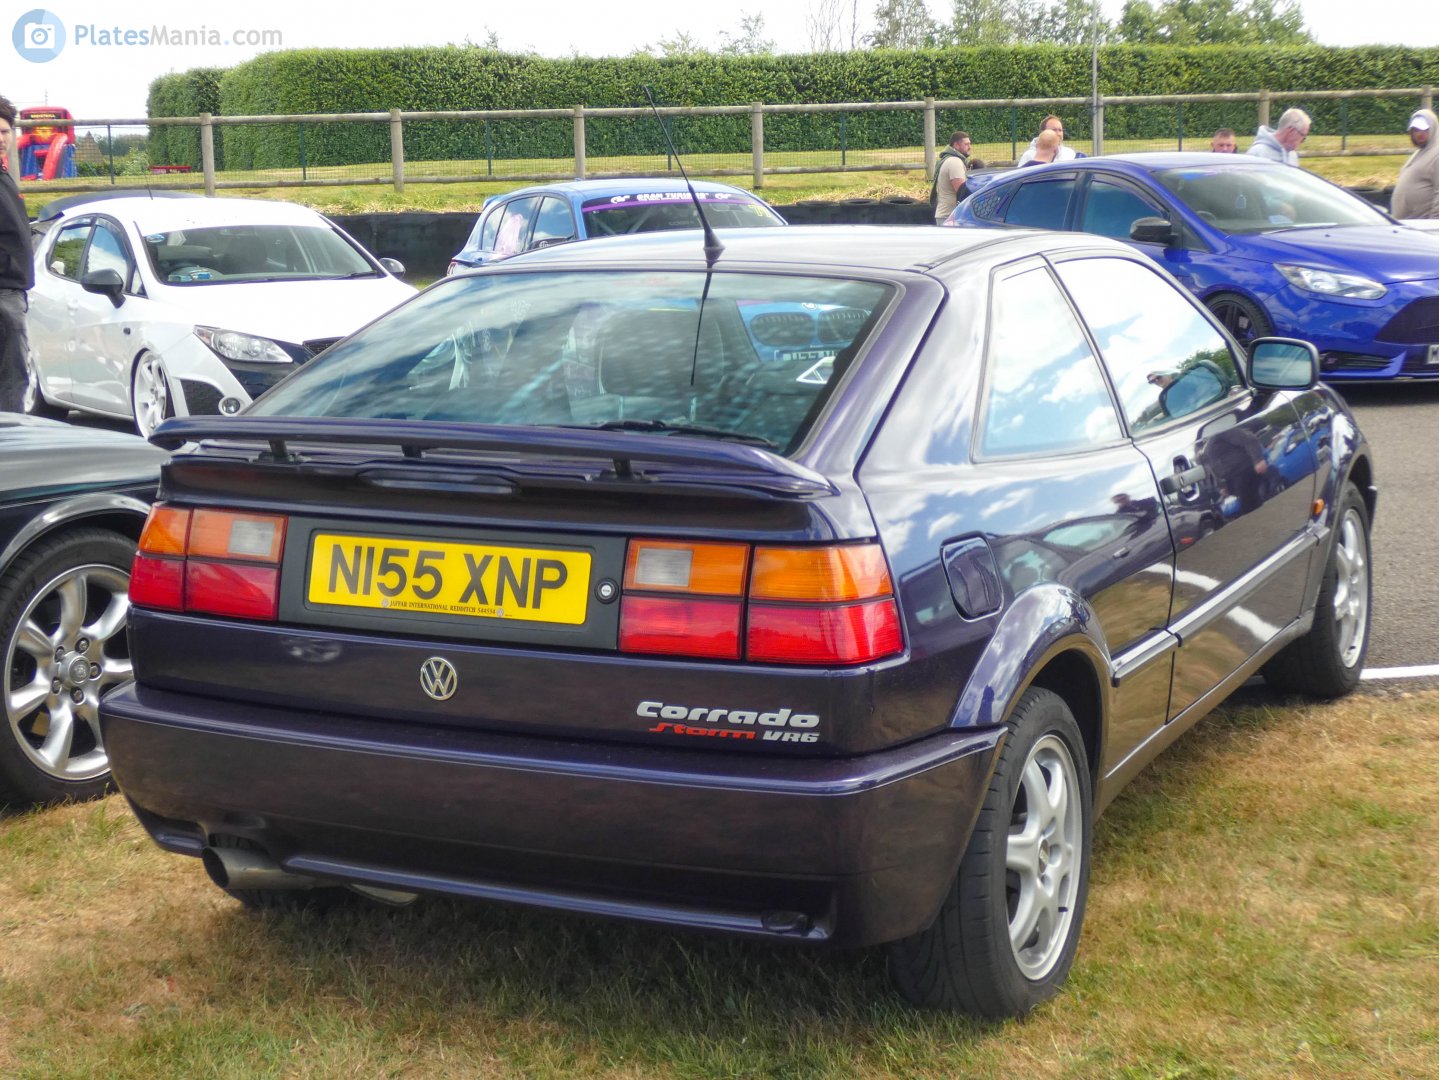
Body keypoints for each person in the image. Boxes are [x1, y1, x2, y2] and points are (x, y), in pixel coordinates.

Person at [1, 94, 35, 414]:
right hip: (3, 293)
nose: (1, 139)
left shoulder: (4, 177)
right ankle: (11, 438)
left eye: (4, 131)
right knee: (11, 378)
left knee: (14, 375)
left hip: (13, 290)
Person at [1391, 108, 1438, 220]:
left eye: (1424, 129)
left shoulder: (1437, 154)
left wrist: (1434, 223)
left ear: (1433, 129)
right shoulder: (1420, 153)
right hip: (1408, 224)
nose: (1419, 134)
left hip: (1425, 226)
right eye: (1415, 130)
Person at [930, 130, 973, 224]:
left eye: (970, 144)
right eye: (966, 144)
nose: (970, 147)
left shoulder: (949, 159)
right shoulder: (954, 162)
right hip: (949, 217)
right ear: (956, 145)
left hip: (948, 215)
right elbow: (962, 191)